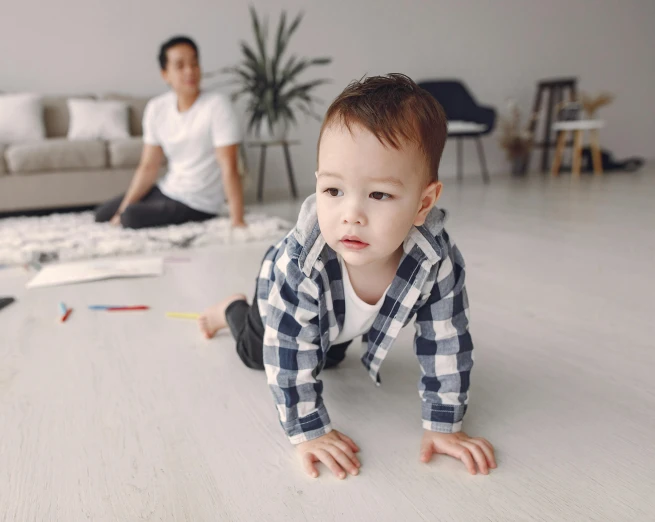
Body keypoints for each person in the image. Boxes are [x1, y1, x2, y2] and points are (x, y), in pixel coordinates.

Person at [198, 74, 496, 479]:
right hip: (278, 307)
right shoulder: (303, 261)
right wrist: (309, 433)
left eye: (379, 195)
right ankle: (230, 309)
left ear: (423, 203)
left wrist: (444, 425)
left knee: (330, 357)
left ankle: (326, 339)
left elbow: (447, 340)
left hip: (338, 324)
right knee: (257, 355)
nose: (350, 214)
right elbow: (287, 354)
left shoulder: (436, 261)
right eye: (333, 191)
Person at [95, 36, 245, 229]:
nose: (190, 71)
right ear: (165, 74)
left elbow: (229, 166)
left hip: (199, 202)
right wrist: (122, 208)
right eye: (180, 66)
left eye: (194, 63)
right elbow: (148, 167)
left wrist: (237, 219)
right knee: (103, 214)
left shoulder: (217, 106)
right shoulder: (157, 108)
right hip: (169, 189)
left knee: (130, 217)